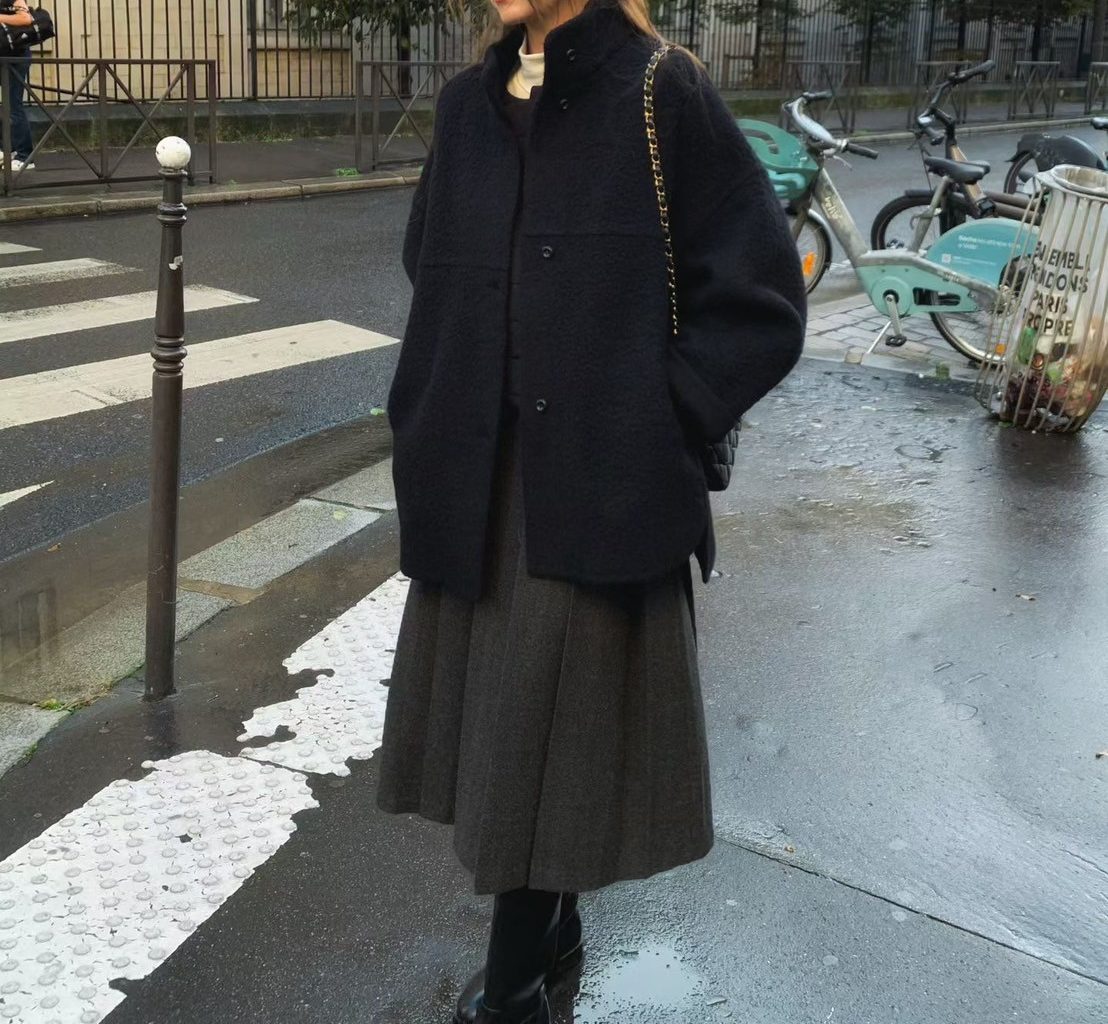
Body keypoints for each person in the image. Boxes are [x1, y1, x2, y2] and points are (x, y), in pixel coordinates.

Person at [376, 0, 806, 1020]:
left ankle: (514, 990)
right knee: (518, 727)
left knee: (539, 726)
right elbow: (430, 261)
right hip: (476, 476)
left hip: (600, 477)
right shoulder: (468, 105)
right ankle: (553, 930)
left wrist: (657, 414)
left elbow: (760, 299)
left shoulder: (662, 90)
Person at [0, 0, 35, 171]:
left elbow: (25, 18)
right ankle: (6, 149)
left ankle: (25, 156)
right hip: (3, 56)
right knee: (8, 106)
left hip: (16, 58)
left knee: (14, 105)